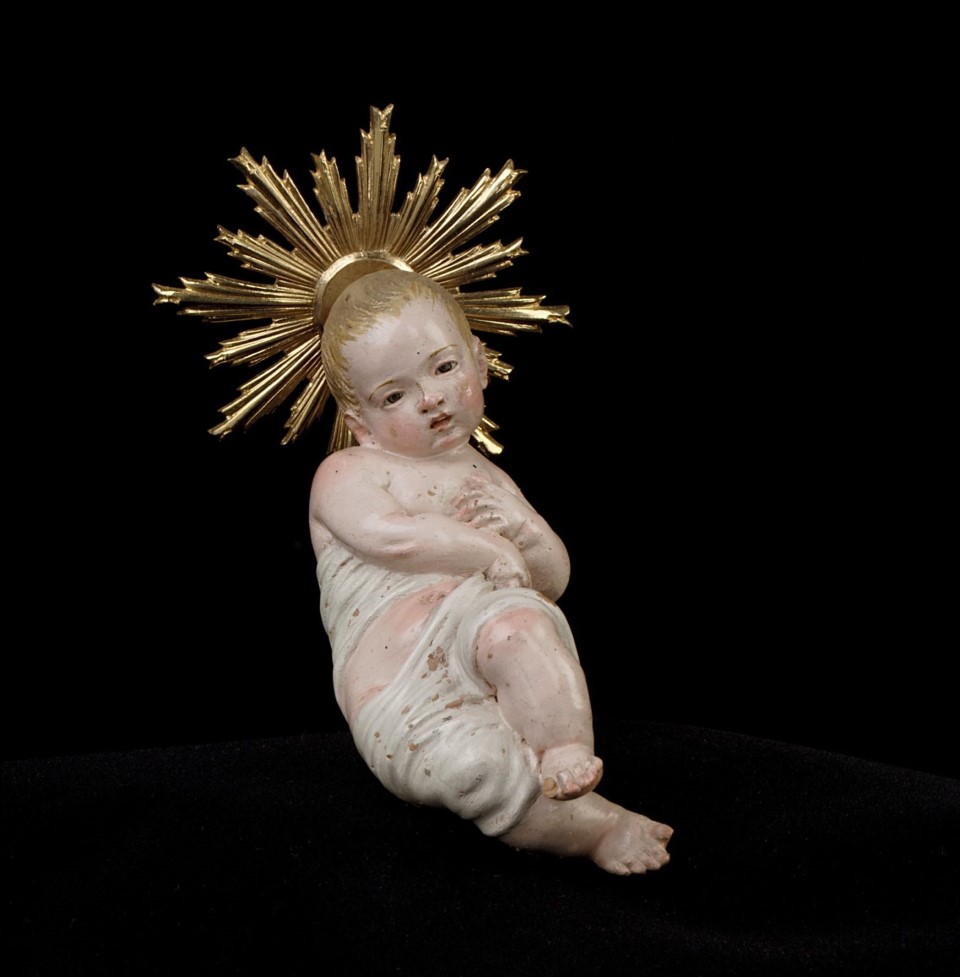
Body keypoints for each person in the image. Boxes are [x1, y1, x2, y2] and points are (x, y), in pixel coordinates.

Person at [309, 269, 672, 874]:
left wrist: (524, 532)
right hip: (397, 682)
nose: (430, 399)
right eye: (393, 396)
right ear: (358, 422)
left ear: (480, 364)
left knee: (519, 626)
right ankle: (593, 825)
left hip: (484, 627)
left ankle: (564, 748)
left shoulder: (488, 478)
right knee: (472, 768)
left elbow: (550, 579)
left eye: (444, 367)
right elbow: (388, 537)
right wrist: (486, 549)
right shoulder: (349, 472)